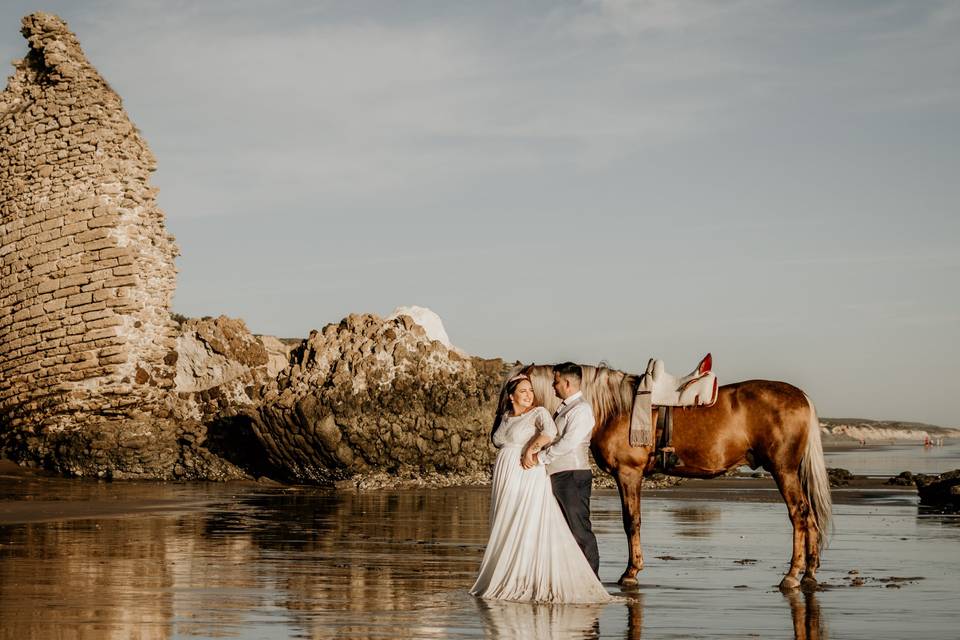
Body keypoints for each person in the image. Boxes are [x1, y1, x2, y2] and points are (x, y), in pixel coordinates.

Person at [470, 373, 611, 603]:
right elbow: (499, 440)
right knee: (506, 522)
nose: (529, 395)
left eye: (530, 390)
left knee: (529, 523)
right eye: (523, 391)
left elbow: (551, 434)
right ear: (511, 396)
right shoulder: (504, 416)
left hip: (528, 473)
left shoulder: (540, 413)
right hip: (507, 478)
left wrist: (531, 451)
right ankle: (507, 572)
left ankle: (576, 577)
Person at [523, 362, 600, 576]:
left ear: (567, 382)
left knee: (579, 529)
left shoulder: (581, 410)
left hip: (572, 474)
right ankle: (573, 576)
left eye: (555, 381)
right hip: (560, 474)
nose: (553, 386)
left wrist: (540, 457)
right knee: (565, 530)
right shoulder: (565, 408)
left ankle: (592, 579)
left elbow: (568, 443)